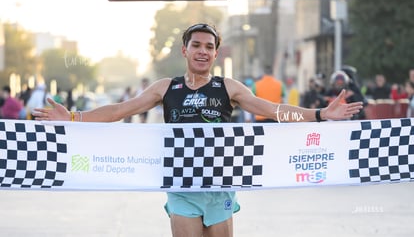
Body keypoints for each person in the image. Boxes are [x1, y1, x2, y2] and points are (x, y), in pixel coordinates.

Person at [33, 23, 363, 237]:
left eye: (209, 46)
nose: (202, 51)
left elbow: (274, 111)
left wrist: (320, 114)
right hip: (181, 185)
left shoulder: (228, 87)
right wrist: (74, 118)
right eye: (196, 45)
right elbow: (120, 110)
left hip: (219, 184)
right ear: (185, 50)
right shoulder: (166, 87)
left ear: (216, 53)